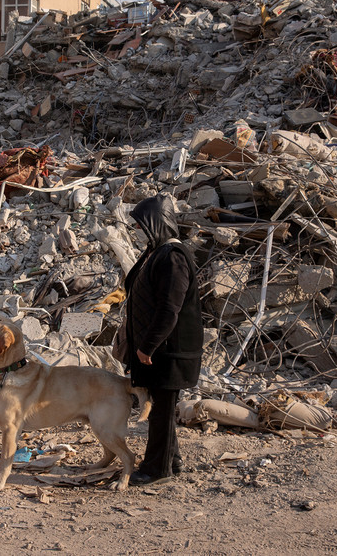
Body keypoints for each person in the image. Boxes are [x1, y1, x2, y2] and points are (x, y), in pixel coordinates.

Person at [123, 194, 203, 486]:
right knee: (161, 407)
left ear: (156, 224)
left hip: (168, 351)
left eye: (141, 226)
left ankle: (157, 469)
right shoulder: (157, 253)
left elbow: (170, 307)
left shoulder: (173, 257)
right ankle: (173, 459)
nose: (137, 232)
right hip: (159, 349)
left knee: (160, 410)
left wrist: (148, 345)